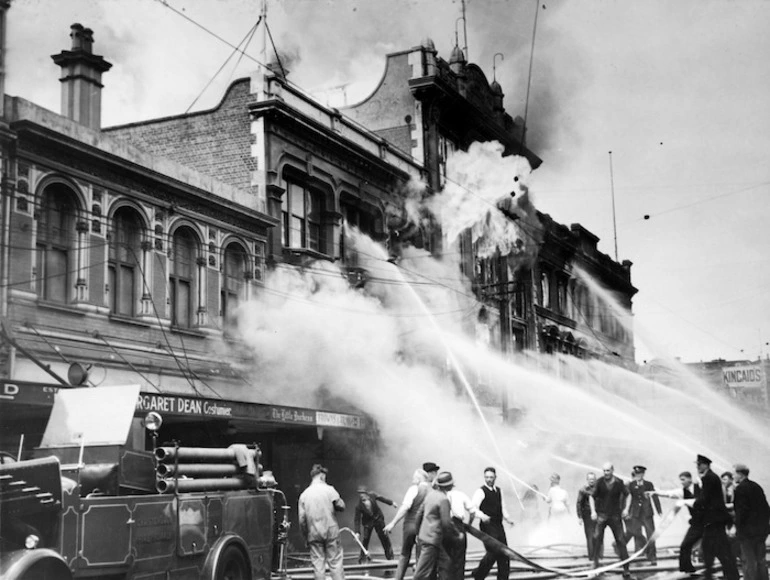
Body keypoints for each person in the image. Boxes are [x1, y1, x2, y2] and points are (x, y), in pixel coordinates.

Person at [384, 462, 438, 580]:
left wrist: (393, 523)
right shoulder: (433, 490)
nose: (413, 479)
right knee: (421, 557)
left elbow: (405, 507)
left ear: (419, 478)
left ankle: (398, 578)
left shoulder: (414, 489)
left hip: (410, 526)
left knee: (404, 554)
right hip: (424, 528)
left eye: (414, 477)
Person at [693, 454, 738, 580]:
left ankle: (722, 575)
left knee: (715, 549)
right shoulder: (711, 477)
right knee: (715, 549)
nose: (698, 467)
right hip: (715, 520)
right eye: (697, 465)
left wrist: (692, 503)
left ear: (706, 465)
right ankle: (725, 574)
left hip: (713, 520)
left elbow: (704, 498)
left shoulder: (709, 478)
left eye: (699, 464)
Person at [648, 470, 702, 573]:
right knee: (685, 545)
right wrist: (656, 493)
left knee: (714, 545)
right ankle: (686, 568)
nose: (681, 482)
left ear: (690, 479)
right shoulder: (682, 491)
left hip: (708, 522)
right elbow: (669, 494)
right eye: (680, 480)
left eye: (683, 480)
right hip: (696, 523)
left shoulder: (700, 487)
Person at [298, 464, 346, 580]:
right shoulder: (329, 489)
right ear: (322, 476)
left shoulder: (304, 495)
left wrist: (306, 537)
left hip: (313, 533)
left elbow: (302, 520)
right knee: (335, 564)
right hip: (331, 532)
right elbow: (341, 506)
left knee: (318, 566)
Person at [413, 471, 462, 580]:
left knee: (446, 565)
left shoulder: (431, 495)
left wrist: (418, 533)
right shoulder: (443, 499)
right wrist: (457, 535)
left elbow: (418, 515)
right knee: (421, 573)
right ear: (449, 485)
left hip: (429, 538)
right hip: (433, 540)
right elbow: (446, 523)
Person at [589, 462, 631, 580]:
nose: (606, 473)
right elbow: (591, 496)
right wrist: (593, 511)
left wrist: (626, 509)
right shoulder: (599, 482)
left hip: (615, 516)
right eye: (604, 471)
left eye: (608, 470)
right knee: (596, 538)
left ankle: (626, 568)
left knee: (621, 541)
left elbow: (628, 495)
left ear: (612, 470)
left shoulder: (619, 482)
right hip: (602, 515)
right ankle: (595, 563)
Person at [471, 467, 514, 580]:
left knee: (504, 552)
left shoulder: (499, 491)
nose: (489, 479)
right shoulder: (480, 491)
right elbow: (473, 508)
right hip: (487, 525)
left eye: (491, 477)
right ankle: (479, 574)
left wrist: (508, 519)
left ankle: (503, 578)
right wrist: (482, 516)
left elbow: (503, 507)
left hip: (498, 524)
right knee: (493, 551)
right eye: (487, 477)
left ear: (495, 477)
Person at [732, 463, 770, 580]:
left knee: (748, 561)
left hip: (747, 533)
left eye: (734, 474)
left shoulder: (740, 489)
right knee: (761, 560)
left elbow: (741, 512)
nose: (733, 476)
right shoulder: (756, 486)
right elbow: (766, 508)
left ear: (740, 474)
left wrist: (736, 528)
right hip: (761, 532)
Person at [622, 465, 662, 565]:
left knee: (651, 534)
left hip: (647, 513)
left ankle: (652, 557)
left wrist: (659, 510)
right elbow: (628, 498)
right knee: (635, 532)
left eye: (640, 474)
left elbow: (655, 497)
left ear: (643, 474)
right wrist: (627, 511)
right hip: (636, 514)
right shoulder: (631, 484)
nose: (638, 476)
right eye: (636, 474)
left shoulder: (649, 484)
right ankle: (643, 550)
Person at [354, 485, 397, 563]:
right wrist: (357, 532)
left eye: (363, 493)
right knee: (365, 540)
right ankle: (362, 559)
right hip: (368, 523)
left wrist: (391, 503)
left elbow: (382, 498)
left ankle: (390, 558)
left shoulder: (372, 495)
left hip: (378, 519)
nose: (361, 495)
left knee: (384, 538)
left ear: (366, 493)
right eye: (360, 493)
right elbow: (357, 519)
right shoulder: (359, 506)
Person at [447, 482, 481, 580]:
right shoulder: (460, 494)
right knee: (459, 559)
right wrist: (469, 524)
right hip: (459, 526)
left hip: (445, 527)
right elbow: (472, 512)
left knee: (446, 559)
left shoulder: (439, 495)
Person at [577, 472, 601, 558]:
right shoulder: (583, 490)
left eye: (593, 479)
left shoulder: (599, 489)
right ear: (587, 480)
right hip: (587, 515)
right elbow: (579, 503)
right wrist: (580, 517)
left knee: (598, 534)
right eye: (590, 479)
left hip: (599, 514)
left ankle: (599, 556)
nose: (592, 481)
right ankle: (591, 556)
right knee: (590, 535)